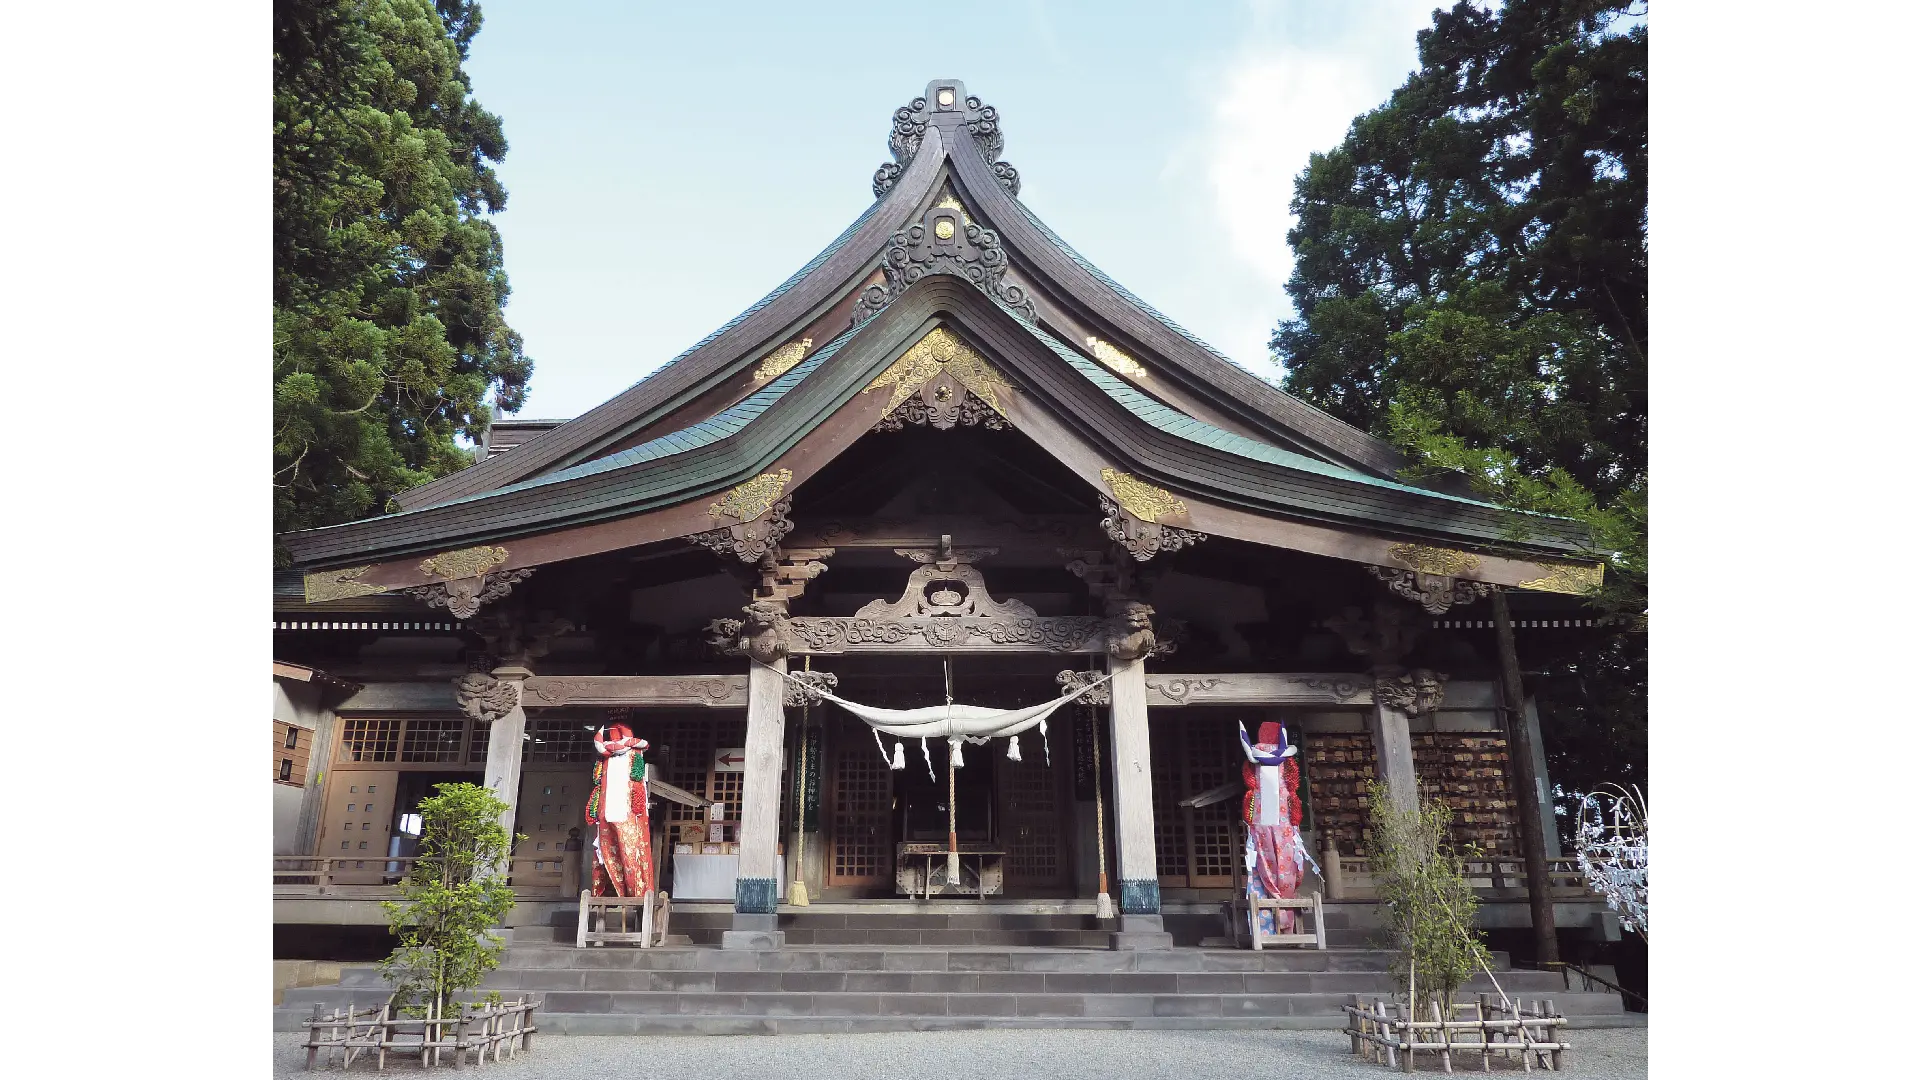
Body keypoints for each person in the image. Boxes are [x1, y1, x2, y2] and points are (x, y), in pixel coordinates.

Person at [1239, 720, 1306, 937]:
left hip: (1262, 823)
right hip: (1284, 823)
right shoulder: (1284, 760)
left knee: (1263, 869)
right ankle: (1285, 920)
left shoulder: (1255, 757)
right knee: (1288, 867)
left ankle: (1271, 924)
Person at [586, 723, 653, 896]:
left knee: (630, 851)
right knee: (606, 850)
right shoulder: (605, 759)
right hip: (607, 810)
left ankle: (634, 892)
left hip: (627, 811)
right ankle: (611, 891)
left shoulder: (633, 752)